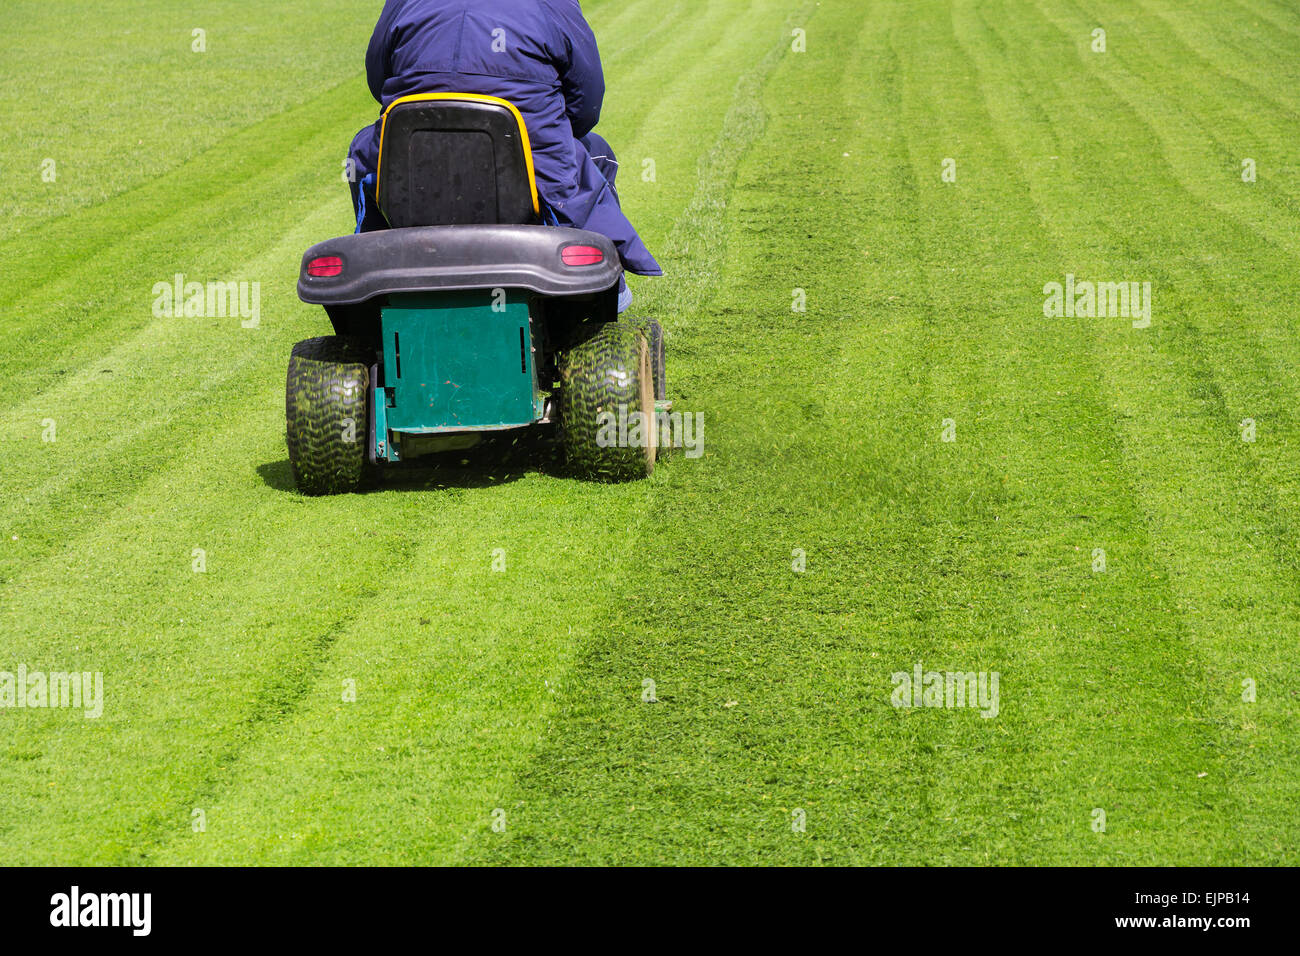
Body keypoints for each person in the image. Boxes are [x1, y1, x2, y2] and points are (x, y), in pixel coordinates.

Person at [348, 0, 661, 311]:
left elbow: (379, 78)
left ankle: (380, 257)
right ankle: (606, 295)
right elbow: (587, 106)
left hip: (416, 151)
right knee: (597, 153)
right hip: (528, 163)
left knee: (363, 151)